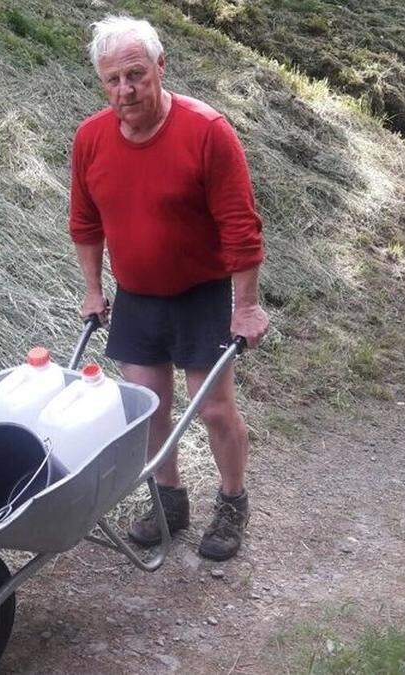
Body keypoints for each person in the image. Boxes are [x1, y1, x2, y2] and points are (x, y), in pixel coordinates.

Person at [68, 15, 270, 561]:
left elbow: (240, 228)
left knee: (214, 410)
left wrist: (246, 306)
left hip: (201, 295)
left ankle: (232, 502)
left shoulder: (207, 131)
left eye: (135, 74)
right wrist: (93, 289)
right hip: (137, 297)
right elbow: (86, 225)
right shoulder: (90, 139)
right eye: (112, 79)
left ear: (161, 66)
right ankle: (169, 500)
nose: (125, 90)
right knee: (150, 408)